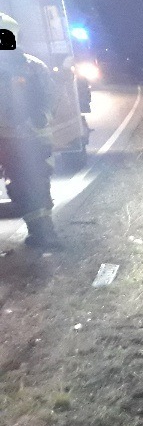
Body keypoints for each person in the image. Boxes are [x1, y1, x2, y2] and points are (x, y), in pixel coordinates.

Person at [0, 13, 62, 249]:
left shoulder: (34, 68)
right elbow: (52, 100)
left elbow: (49, 100)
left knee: (28, 187)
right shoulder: (35, 66)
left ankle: (44, 234)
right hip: (30, 139)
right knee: (34, 186)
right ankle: (43, 234)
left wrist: (35, 120)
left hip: (18, 139)